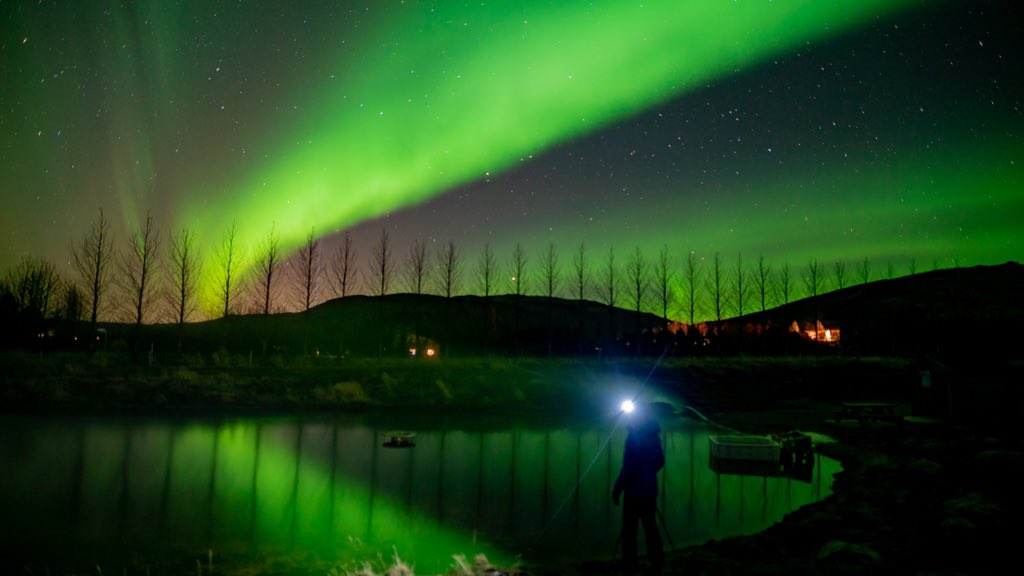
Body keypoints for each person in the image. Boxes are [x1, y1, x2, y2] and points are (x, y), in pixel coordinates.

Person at [612, 414, 665, 570]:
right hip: (650, 490)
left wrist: (617, 489)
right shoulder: (655, 437)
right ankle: (656, 559)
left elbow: (629, 466)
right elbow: (660, 461)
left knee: (629, 528)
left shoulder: (633, 437)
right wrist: (649, 473)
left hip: (634, 492)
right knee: (650, 526)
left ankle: (630, 562)